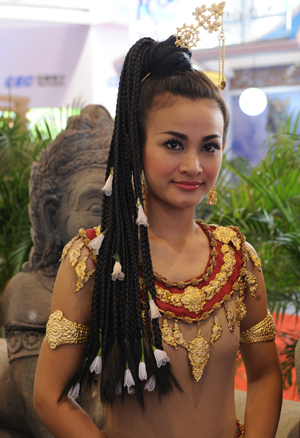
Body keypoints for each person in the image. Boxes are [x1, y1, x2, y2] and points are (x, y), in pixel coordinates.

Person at [33, 35, 282, 438]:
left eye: (210, 147)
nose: (193, 165)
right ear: (134, 147)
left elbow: (267, 374)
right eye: (173, 144)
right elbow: (49, 396)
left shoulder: (239, 260)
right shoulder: (94, 259)